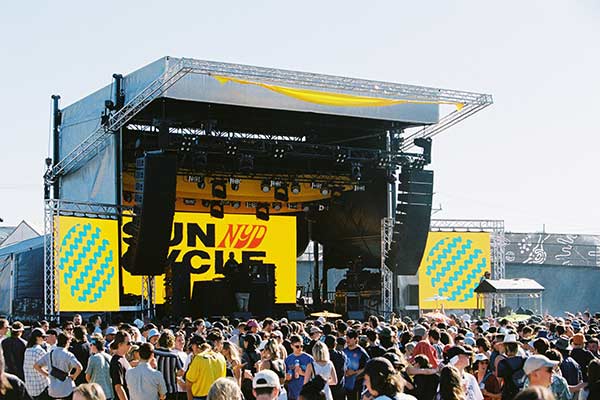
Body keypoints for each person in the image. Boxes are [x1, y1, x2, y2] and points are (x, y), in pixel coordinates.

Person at [34, 332, 83, 400]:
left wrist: (47, 374)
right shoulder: (68, 355)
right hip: (67, 388)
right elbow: (79, 367)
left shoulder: (50, 354)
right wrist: (74, 377)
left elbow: (36, 366)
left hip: (53, 390)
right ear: (67, 342)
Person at [154, 331, 183, 400]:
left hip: (156, 389)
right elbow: (181, 371)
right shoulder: (174, 356)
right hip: (171, 389)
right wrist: (173, 373)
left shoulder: (154, 353)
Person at [285, 335, 314, 400]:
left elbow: (314, 376)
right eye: (297, 346)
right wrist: (287, 377)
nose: (300, 348)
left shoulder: (309, 359)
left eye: (302, 346)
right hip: (292, 393)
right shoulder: (288, 359)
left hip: (306, 393)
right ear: (291, 346)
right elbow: (285, 376)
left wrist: (303, 373)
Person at [497, 335, 526, 400]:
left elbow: (499, 382)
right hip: (523, 393)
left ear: (506, 348)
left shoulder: (502, 363)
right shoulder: (525, 360)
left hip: (508, 393)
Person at [23, 328, 49, 400]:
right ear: (37, 337)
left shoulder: (27, 350)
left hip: (30, 387)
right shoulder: (39, 351)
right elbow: (48, 366)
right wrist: (49, 375)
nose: (45, 339)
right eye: (43, 337)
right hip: (41, 386)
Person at [342, 329, 369, 400]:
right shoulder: (344, 351)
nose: (347, 340)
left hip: (357, 384)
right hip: (345, 384)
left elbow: (367, 367)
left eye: (350, 338)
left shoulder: (361, 353)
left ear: (355, 339)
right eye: (346, 338)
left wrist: (354, 372)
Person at [86, 336, 114, 400]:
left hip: (97, 393)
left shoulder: (93, 358)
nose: (90, 346)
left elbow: (88, 377)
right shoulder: (110, 357)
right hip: (109, 392)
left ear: (94, 345)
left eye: (91, 345)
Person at [110, 331, 132, 400]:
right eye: (128, 343)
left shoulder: (122, 358)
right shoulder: (116, 362)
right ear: (120, 344)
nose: (131, 345)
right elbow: (118, 387)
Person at [323, 335, 346, 400]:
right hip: (339, 386)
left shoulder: (323, 356)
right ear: (335, 344)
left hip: (327, 386)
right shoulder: (341, 355)